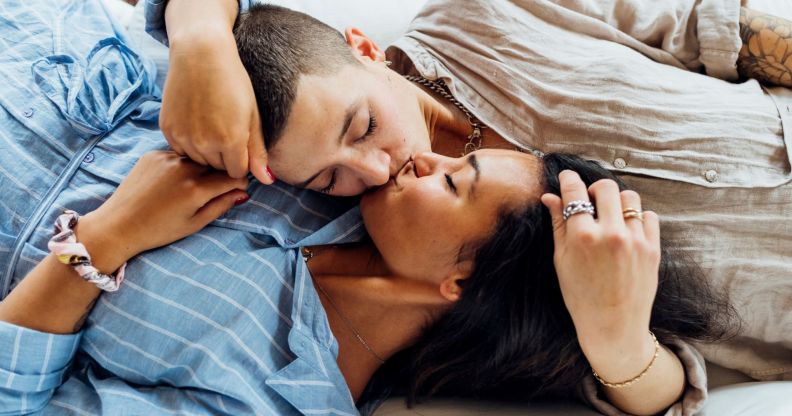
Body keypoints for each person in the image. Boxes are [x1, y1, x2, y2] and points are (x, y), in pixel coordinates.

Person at [150, 0, 792, 399]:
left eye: (367, 127)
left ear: (366, 50)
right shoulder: (434, 240)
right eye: (328, 180)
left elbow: (699, 28)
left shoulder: (473, 17)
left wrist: (200, 34)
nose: (374, 170)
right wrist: (616, 339)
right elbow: (661, 385)